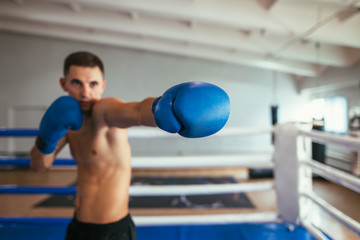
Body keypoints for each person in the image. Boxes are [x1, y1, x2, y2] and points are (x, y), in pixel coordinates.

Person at [30, 51, 230, 240]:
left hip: (113, 231)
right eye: (77, 83)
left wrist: (163, 107)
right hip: (78, 227)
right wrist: (46, 137)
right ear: (63, 83)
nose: (85, 93)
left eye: (93, 84)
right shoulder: (65, 123)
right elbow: (39, 166)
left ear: (103, 86)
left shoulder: (105, 112)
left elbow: (135, 111)